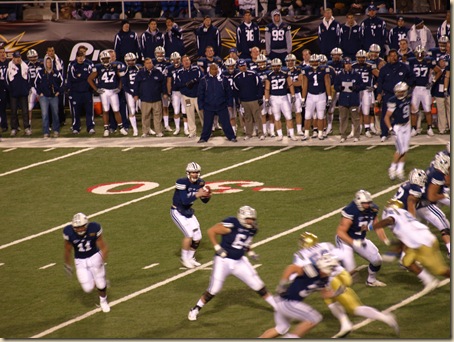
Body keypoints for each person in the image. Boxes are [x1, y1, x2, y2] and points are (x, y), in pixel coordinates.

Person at [292, 233, 399, 338]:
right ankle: (345, 324)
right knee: (330, 301)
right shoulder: (325, 245)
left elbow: (299, 272)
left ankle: (386, 318)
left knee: (355, 308)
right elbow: (342, 255)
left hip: (332, 280)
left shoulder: (301, 255)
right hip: (342, 274)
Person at [188, 205, 277, 321]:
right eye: (249, 219)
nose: (251, 221)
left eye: (253, 219)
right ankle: (195, 308)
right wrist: (217, 247)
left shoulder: (252, 229)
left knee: (258, 285)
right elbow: (211, 231)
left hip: (239, 261)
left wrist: (251, 253)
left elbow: (245, 242)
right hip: (223, 261)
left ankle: (278, 308)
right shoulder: (232, 224)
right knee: (214, 289)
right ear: (241, 217)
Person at [372, 199, 450, 287]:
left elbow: (390, 220)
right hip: (422, 240)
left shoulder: (392, 213)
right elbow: (404, 238)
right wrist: (394, 252)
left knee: (440, 270)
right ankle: (429, 281)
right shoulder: (404, 214)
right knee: (407, 261)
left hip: (423, 244)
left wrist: (374, 226)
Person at [259, 253, 338, 338]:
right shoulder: (313, 270)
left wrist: (336, 293)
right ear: (326, 268)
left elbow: (325, 295)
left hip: (284, 301)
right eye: (332, 268)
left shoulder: (324, 279)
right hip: (287, 301)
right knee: (314, 318)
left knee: (281, 328)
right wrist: (282, 284)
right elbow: (291, 268)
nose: (333, 270)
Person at [335, 189, 386, 287]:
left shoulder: (372, 209)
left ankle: (371, 281)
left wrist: (384, 239)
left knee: (377, 260)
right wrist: (353, 242)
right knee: (349, 271)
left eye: (369, 202)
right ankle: (332, 278)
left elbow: (376, 223)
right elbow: (340, 232)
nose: (368, 205)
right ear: (358, 202)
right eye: (365, 203)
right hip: (345, 240)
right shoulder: (351, 211)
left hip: (360, 240)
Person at [63, 213, 110, 313]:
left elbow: (104, 247)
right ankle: (97, 279)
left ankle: (103, 301)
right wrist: (67, 264)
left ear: (86, 225)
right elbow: (67, 249)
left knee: (101, 283)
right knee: (87, 288)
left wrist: (101, 261)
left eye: (81, 227)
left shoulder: (94, 228)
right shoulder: (68, 232)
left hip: (95, 256)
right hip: (80, 260)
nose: (79, 229)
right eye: (77, 227)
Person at [171, 162, 211, 269]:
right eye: (193, 172)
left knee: (198, 237)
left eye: (197, 172)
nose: (195, 175)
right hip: (177, 211)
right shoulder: (181, 182)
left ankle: (190, 257)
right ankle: (184, 259)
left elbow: (205, 201)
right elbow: (184, 200)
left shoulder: (200, 183)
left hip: (188, 211)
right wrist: (198, 194)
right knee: (189, 234)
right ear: (188, 173)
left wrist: (206, 196)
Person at [87, 50, 128, 137]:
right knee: (106, 110)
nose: (106, 60)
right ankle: (106, 129)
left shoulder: (114, 66)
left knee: (116, 110)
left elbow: (121, 77)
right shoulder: (98, 67)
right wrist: (96, 89)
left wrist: (119, 87)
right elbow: (89, 79)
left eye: (107, 59)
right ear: (101, 59)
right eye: (104, 59)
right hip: (104, 91)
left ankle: (121, 128)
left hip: (113, 91)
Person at [376, 49, 413, 142]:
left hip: (401, 95)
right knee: (386, 114)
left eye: (395, 55)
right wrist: (379, 93)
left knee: (401, 114)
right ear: (388, 57)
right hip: (388, 94)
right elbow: (380, 82)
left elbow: (411, 78)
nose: (393, 57)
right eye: (391, 56)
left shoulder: (404, 67)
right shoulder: (384, 69)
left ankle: (401, 132)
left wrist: (407, 88)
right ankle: (384, 133)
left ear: (398, 56)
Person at [417, 153, 451, 256]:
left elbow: (447, 182)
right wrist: (443, 196)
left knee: (418, 232)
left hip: (418, 204)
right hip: (425, 205)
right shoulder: (437, 175)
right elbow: (431, 197)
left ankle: (404, 258)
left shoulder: (433, 170)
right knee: (444, 224)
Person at [197, 63, 237, 143]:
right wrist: (201, 106)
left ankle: (231, 136)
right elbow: (200, 94)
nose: (215, 71)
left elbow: (228, 92)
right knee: (207, 124)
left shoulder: (223, 79)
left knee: (226, 123)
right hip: (209, 106)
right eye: (213, 69)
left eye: (216, 69)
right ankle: (204, 138)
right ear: (209, 70)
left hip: (221, 105)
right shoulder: (204, 80)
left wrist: (229, 104)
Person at [408, 46, 441, 137]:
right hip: (415, 89)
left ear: (424, 53)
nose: (419, 55)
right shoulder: (411, 61)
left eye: (421, 53)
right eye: (418, 53)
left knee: (427, 110)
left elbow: (439, 71)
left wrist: (432, 82)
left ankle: (429, 128)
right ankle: (414, 128)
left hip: (425, 89)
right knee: (414, 111)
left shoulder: (428, 60)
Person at [384, 82, 411, 181]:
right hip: (398, 127)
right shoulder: (393, 101)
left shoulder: (408, 98)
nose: (399, 94)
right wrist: (390, 129)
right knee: (400, 150)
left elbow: (410, 108)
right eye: (398, 92)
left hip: (407, 125)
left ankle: (400, 170)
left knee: (405, 149)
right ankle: (392, 168)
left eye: (401, 92)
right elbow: (387, 117)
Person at [264, 58, 297, 141]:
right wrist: (267, 100)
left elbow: (290, 85)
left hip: (284, 97)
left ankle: (292, 134)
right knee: (277, 117)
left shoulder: (285, 73)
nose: (276, 67)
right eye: (274, 66)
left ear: (280, 66)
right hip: (274, 98)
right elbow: (267, 89)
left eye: (277, 66)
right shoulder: (269, 75)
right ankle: (280, 135)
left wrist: (293, 95)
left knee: (288, 116)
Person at [133, 57, 167, 138]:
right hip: (145, 98)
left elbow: (163, 83)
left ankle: (158, 131)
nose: (149, 64)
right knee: (145, 116)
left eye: (150, 62)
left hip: (156, 98)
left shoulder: (158, 72)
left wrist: (165, 93)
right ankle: (145, 132)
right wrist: (136, 94)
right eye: (147, 63)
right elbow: (136, 85)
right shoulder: (140, 73)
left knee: (157, 116)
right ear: (144, 64)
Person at [301, 54, 332, 141]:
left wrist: (329, 96)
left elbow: (327, 83)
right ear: (310, 62)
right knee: (307, 116)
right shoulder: (306, 70)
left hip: (321, 95)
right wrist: (303, 98)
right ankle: (306, 134)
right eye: (312, 62)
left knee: (320, 116)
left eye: (316, 61)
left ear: (319, 62)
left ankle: (320, 133)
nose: (314, 63)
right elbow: (305, 86)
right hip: (310, 96)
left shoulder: (324, 69)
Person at [334, 57, 365, 143]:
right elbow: (336, 86)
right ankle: (343, 135)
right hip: (343, 100)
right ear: (344, 65)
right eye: (346, 64)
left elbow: (363, 85)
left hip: (353, 99)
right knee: (343, 118)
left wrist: (355, 87)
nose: (348, 65)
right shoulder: (340, 75)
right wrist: (340, 88)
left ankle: (356, 135)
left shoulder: (356, 75)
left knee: (356, 119)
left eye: (349, 64)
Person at [233, 59, 264, 140]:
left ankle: (261, 133)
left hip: (254, 99)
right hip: (244, 101)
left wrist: (260, 97)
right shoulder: (236, 77)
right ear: (238, 67)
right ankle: (248, 134)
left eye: (244, 65)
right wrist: (238, 102)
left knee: (258, 117)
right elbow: (236, 90)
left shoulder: (253, 74)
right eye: (241, 66)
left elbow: (259, 86)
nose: (243, 67)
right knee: (247, 118)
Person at [66, 50, 95, 135]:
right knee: (76, 111)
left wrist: (90, 87)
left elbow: (91, 78)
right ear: (76, 57)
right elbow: (71, 79)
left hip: (87, 92)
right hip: (75, 92)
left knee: (89, 111)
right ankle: (76, 127)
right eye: (79, 56)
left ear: (84, 57)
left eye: (82, 56)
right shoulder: (72, 66)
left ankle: (90, 127)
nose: (80, 58)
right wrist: (69, 90)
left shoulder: (88, 65)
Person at [175, 55, 203, 138]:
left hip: (197, 96)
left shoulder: (196, 68)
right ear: (182, 62)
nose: (186, 62)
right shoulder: (179, 72)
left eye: (187, 60)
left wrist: (193, 81)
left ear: (190, 61)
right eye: (184, 61)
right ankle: (192, 131)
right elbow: (177, 84)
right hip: (187, 97)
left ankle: (206, 130)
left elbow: (201, 78)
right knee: (189, 114)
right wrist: (186, 85)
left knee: (202, 113)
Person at [35, 56, 63, 138]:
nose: (49, 64)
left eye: (50, 62)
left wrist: (58, 92)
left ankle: (56, 130)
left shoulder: (56, 72)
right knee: (44, 115)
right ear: (44, 63)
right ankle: (46, 131)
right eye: (47, 62)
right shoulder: (41, 72)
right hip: (44, 97)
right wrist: (39, 93)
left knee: (55, 114)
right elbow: (36, 83)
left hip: (54, 96)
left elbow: (62, 83)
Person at [6, 51, 31, 137]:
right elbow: (7, 80)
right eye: (16, 57)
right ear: (13, 58)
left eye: (19, 57)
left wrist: (27, 89)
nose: (18, 59)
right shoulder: (9, 67)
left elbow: (29, 79)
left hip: (23, 93)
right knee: (13, 112)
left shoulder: (25, 66)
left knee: (25, 111)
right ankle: (14, 128)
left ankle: (27, 128)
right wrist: (11, 90)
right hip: (14, 93)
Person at [166, 52, 187, 136]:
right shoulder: (170, 68)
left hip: (184, 91)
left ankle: (186, 128)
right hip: (175, 92)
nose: (176, 61)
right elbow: (169, 81)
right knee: (176, 110)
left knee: (185, 111)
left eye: (177, 59)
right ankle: (177, 128)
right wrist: (168, 92)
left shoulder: (184, 66)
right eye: (174, 59)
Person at [45, 46, 66, 126]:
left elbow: (62, 74)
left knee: (60, 104)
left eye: (52, 51)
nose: (51, 52)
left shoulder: (59, 61)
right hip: (48, 86)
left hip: (58, 84)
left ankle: (61, 120)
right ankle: (50, 122)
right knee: (49, 105)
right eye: (49, 51)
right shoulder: (44, 61)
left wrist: (61, 87)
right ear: (47, 52)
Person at [122, 52, 141, 137]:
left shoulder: (139, 67)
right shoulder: (124, 69)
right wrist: (132, 93)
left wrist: (139, 91)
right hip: (130, 92)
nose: (131, 62)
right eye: (129, 61)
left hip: (140, 91)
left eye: (132, 60)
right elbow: (124, 84)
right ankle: (135, 129)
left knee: (144, 110)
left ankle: (147, 128)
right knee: (132, 111)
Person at [432, 55, 450, 134]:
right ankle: (442, 128)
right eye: (441, 61)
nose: (442, 62)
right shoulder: (435, 71)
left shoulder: (449, 70)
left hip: (448, 92)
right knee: (441, 111)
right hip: (438, 93)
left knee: (450, 110)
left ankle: (451, 127)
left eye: (444, 61)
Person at [26, 49, 42, 132]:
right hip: (31, 88)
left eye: (34, 57)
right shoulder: (26, 65)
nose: (33, 59)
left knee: (44, 107)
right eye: (31, 57)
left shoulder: (41, 64)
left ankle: (47, 124)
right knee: (29, 107)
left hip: (40, 88)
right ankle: (28, 125)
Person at [0, 45, 8, 133]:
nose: (2, 54)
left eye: (3, 52)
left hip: (9, 86)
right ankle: (4, 125)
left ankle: (15, 126)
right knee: (2, 108)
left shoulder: (9, 63)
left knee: (14, 107)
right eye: (1, 53)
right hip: (1, 87)